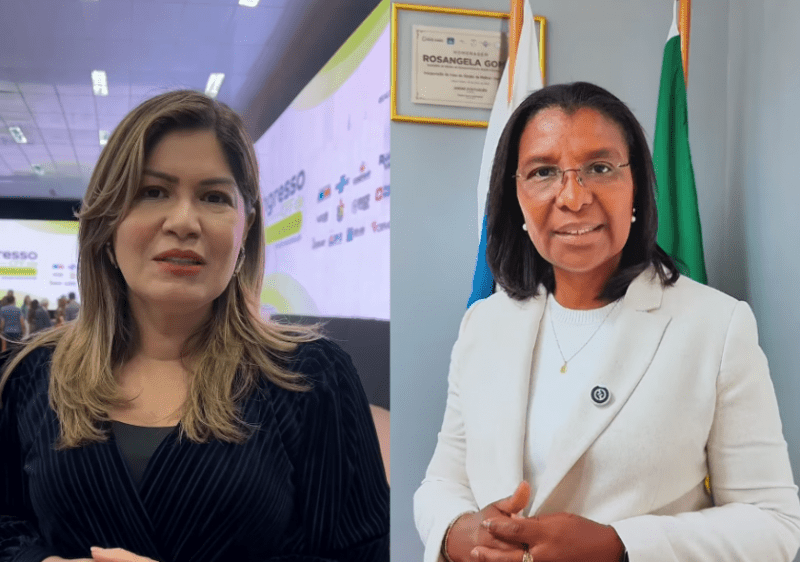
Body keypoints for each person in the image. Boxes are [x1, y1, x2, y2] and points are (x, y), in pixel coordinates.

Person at [414, 82, 800, 562]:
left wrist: (619, 546)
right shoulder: (485, 323)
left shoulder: (716, 326)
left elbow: (775, 522)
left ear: (635, 185)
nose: (573, 198)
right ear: (516, 196)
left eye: (599, 168)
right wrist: (461, 533)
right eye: (543, 172)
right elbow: (443, 480)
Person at [0, 90, 389, 562]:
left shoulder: (311, 379)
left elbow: (364, 552)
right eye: (152, 192)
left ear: (245, 229)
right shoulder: (30, 376)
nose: (184, 222)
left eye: (213, 197)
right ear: (107, 222)